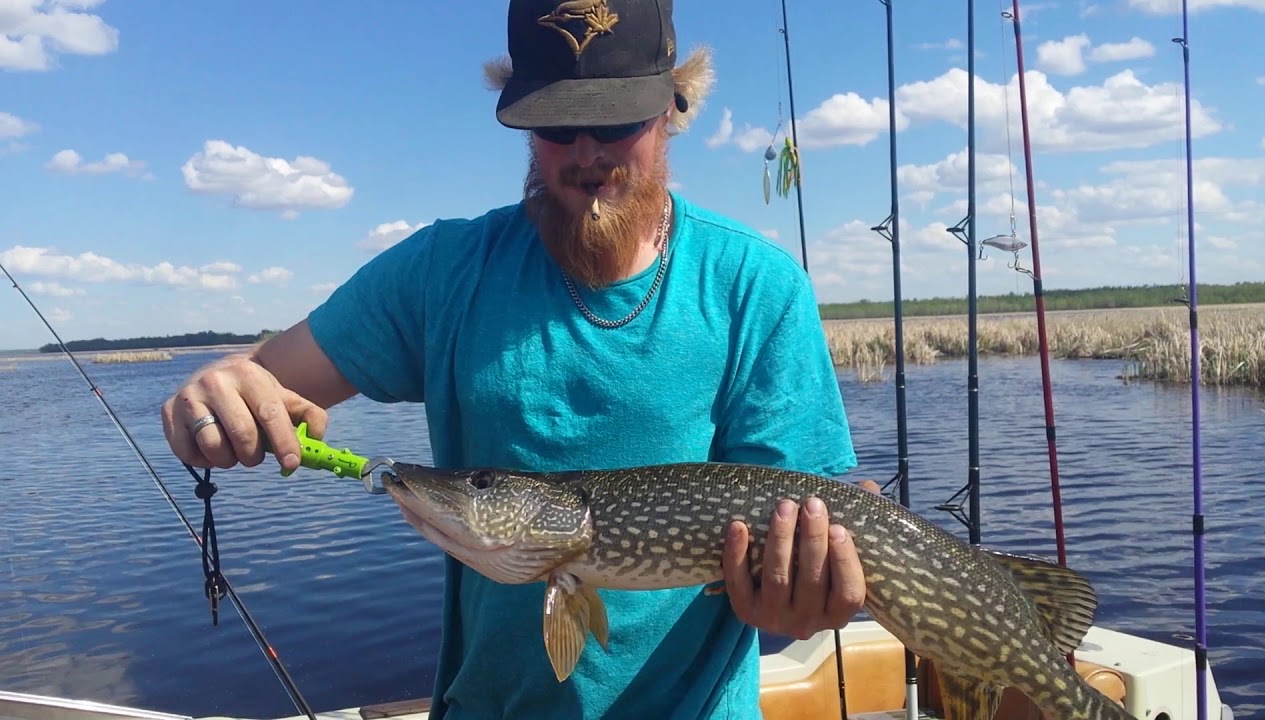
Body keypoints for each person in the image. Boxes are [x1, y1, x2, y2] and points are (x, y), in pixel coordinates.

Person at [160, 1, 872, 717]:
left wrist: (800, 600)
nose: (587, 153)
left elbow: (795, 548)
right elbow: (262, 381)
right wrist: (215, 393)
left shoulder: (756, 285)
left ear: (672, 108)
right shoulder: (445, 269)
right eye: (557, 125)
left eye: (619, 119)